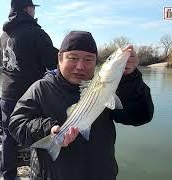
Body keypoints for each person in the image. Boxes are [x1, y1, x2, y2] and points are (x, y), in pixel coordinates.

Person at [9, 31, 154, 180]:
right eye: (73, 58)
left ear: (96, 63)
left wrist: (131, 78)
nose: (80, 66)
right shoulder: (41, 88)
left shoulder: (111, 88)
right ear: (59, 58)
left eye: (88, 59)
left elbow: (141, 116)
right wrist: (47, 130)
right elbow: (16, 124)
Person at [0, 0, 58, 179]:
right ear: (27, 9)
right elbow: (54, 63)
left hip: (6, 95)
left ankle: (8, 176)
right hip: (30, 97)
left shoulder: (4, 34)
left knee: (8, 138)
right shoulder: (37, 33)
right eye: (33, 7)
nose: (34, 10)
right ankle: (37, 175)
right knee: (37, 134)